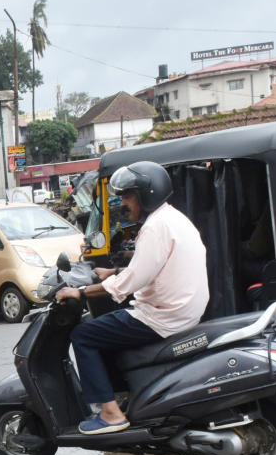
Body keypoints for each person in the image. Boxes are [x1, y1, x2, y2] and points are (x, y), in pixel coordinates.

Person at [55, 161, 208, 435]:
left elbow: (128, 284)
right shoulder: (171, 219)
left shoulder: (155, 227)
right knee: (107, 332)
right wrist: (112, 271)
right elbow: (149, 268)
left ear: (146, 194)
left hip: (162, 316)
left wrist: (78, 291)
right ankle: (124, 395)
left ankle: (111, 413)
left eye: (127, 196)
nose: (123, 203)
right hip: (182, 311)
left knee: (84, 335)